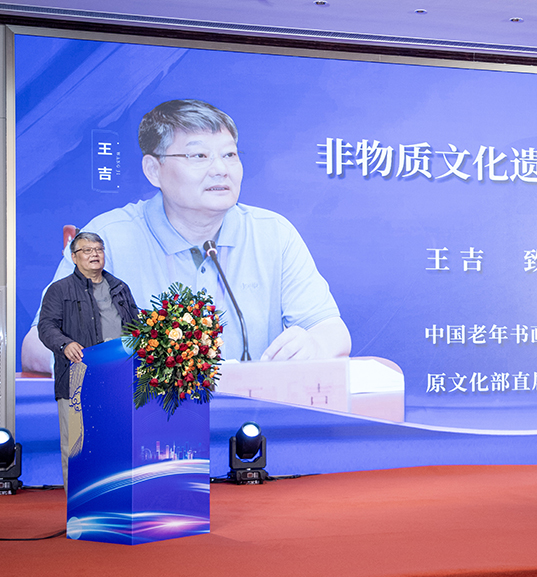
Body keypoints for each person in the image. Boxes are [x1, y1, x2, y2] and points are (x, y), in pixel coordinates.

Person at [22, 99, 351, 372]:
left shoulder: (272, 233)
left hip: (249, 418)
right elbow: (36, 344)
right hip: (141, 417)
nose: (220, 169)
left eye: (230, 155)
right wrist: (106, 362)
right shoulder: (108, 239)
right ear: (154, 170)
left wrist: (314, 345)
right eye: (199, 156)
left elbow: (331, 330)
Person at [37, 232, 139, 493]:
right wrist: (65, 344)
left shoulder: (120, 287)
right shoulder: (59, 290)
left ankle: (115, 499)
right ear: (74, 257)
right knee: (76, 447)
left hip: (118, 378)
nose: (95, 254)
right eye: (87, 250)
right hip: (77, 377)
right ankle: (79, 506)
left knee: (115, 443)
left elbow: (136, 326)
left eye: (99, 249)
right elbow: (46, 327)